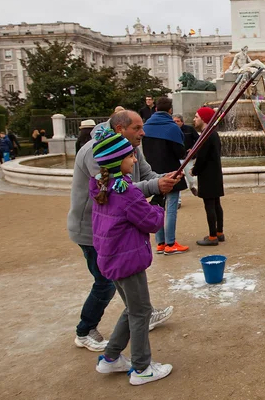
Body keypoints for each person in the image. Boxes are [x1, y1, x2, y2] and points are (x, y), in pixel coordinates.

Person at [67, 110, 178, 352]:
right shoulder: (96, 151)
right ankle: (85, 330)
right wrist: (155, 190)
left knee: (122, 282)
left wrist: (166, 179)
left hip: (115, 229)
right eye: (137, 128)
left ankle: (140, 314)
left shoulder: (129, 147)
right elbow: (117, 191)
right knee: (106, 282)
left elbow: (146, 175)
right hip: (92, 230)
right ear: (120, 129)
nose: (143, 132)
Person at [90, 126, 173, 385]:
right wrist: (159, 201)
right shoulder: (126, 193)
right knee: (141, 312)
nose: (135, 160)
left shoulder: (103, 186)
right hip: (127, 261)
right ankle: (142, 368)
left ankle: (111, 358)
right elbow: (152, 223)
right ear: (117, 161)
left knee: (134, 308)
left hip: (112, 258)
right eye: (130, 156)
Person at [142, 97, 189, 255]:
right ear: (170, 110)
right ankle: (170, 243)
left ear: (155, 109)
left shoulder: (146, 126)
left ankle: (160, 243)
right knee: (171, 208)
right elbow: (180, 152)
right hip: (171, 172)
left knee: (157, 206)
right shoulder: (172, 127)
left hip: (151, 172)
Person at [192, 107, 225, 246]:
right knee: (216, 204)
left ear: (204, 119)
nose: (194, 119)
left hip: (207, 175)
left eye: (196, 117)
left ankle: (212, 237)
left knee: (209, 205)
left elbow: (202, 157)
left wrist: (195, 170)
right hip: (215, 173)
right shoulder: (213, 133)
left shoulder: (206, 135)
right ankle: (219, 232)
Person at [173, 114, 200, 199]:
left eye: (178, 121)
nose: (176, 123)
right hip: (176, 158)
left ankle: (192, 186)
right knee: (176, 178)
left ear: (182, 122)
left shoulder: (190, 129)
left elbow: (198, 139)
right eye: (174, 121)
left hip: (188, 157)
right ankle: (179, 200)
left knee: (190, 176)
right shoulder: (171, 130)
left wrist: (192, 148)